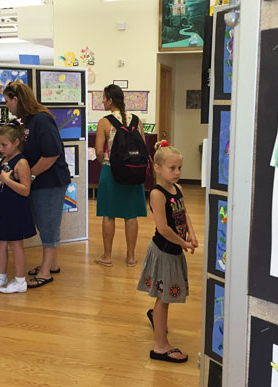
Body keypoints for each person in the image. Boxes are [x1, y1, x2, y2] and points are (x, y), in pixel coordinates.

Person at [2, 81, 71, 288]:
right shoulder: (27, 121)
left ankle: (45, 272)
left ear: (16, 99)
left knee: (48, 224)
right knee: (43, 222)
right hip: (40, 181)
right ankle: (52, 264)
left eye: (7, 101)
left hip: (50, 182)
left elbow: (52, 153)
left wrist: (29, 176)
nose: (7, 106)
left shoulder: (41, 119)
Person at [137, 141, 199, 363]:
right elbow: (163, 228)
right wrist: (183, 244)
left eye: (180, 168)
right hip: (164, 251)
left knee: (166, 298)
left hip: (175, 249)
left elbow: (184, 213)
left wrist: (190, 234)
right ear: (157, 168)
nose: (177, 173)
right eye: (172, 168)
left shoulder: (178, 189)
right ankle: (161, 347)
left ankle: (158, 319)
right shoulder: (157, 194)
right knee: (163, 299)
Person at [94, 84, 147, 267]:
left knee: (109, 214)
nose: (102, 101)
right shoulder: (136, 120)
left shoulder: (104, 122)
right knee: (130, 215)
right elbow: (143, 147)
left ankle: (107, 257)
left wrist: (106, 162)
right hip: (133, 170)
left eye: (103, 98)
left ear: (110, 100)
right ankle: (131, 257)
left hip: (111, 171)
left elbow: (99, 151)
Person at [0, 124, 36, 294]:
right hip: (4, 207)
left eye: (4, 145)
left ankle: (20, 281)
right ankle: (1, 278)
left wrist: (7, 180)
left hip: (17, 209)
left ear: (16, 142)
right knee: (0, 243)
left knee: (15, 243)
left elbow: (26, 189)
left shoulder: (21, 162)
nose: (0, 148)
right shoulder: (5, 159)